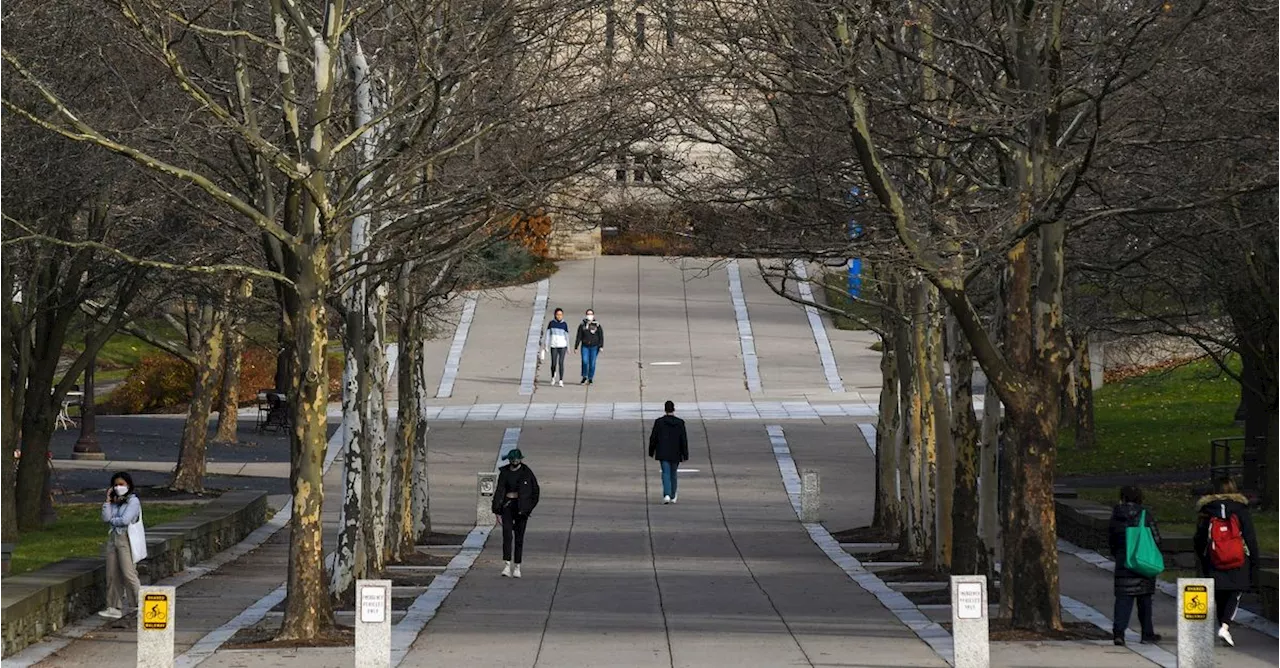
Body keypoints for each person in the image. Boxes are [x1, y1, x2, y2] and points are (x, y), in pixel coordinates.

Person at [1193, 477, 1260, 647]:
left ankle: (1221, 626)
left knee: (1219, 594)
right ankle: (1225, 626)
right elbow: (1250, 536)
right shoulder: (1241, 509)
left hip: (1213, 557)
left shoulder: (1206, 510)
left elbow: (1200, 537)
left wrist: (1202, 557)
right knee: (1234, 592)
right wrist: (1254, 561)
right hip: (1238, 557)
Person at [1107, 486, 1162, 645]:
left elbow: (1112, 539)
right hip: (1143, 562)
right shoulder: (1145, 515)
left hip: (1124, 561)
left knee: (1123, 600)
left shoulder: (1116, 516)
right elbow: (1157, 538)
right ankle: (1146, 633)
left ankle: (1119, 633)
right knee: (1145, 600)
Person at [99, 471, 143, 619]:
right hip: (113, 538)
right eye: (116, 485)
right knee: (112, 573)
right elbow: (105, 517)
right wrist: (108, 501)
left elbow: (125, 520)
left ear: (128, 485)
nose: (118, 487)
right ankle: (113, 606)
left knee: (128, 573)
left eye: (121, 484)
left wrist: (113, 519)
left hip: (125, 538)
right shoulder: (114, 501)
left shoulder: (133, 501)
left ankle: (139, 603)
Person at [493, 449, 539, 578]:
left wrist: (528, 508)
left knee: (519, 537)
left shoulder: (527, 473)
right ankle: (507, 565)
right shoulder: (504, 472)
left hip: (521, 509)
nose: (514, 462)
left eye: (516, 459)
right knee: (507, 535)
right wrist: (496, 509)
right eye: (512, 460)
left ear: (520, 459)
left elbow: (535, 492)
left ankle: (517, 566)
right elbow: (499, 490)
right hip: (507, 506)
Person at [648, 400, 689, 504]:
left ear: (665, 409)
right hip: (676, 452)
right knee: (673, 473)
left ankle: (666, 494)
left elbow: (653, 438)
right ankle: (673, 494)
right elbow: (683, 439)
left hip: (663, 451)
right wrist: (685, 454)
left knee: (665, 472)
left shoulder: (659, 422)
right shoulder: (680, 423)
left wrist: (651, 451)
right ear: (674, 409)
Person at [574, 308, 604, 385]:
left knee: (592, 363)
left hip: (594, 347)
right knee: (585, 361)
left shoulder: (597, 325)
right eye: (588, 314)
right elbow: (579, 336)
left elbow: (601, 336)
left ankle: (590, 378)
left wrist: (601, 346)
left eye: (591, 314)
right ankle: (584, 376)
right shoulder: (582, 325)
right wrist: (576, 346)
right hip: (585, 346)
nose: (589, 316)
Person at [543, 308, 570, 387]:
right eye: (558, 314)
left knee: (561, 363)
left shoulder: (564, 324)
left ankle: (561, 380)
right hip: (554, 345)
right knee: (553, 363)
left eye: (561, 315)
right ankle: (553, 377)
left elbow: (567, 336)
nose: (559, 316)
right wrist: (546, 345)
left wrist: (568, 347)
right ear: (555, 315)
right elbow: (548, 335)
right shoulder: (551, 323)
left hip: (562, 346)